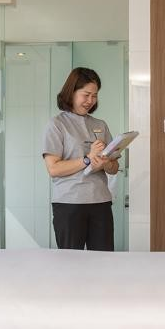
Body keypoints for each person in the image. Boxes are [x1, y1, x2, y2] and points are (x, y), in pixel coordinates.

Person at [42, 67, 120, 251]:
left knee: (103, 259)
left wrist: (106, 163)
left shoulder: (100, 125)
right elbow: (54, 169)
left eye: (94, 96)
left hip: (100, 202)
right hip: (69, 204)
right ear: (71, 92)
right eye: (86, 95)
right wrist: (87, 159)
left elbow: (114, 168)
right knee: (71, 261)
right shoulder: (57, 124)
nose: (90, 101)